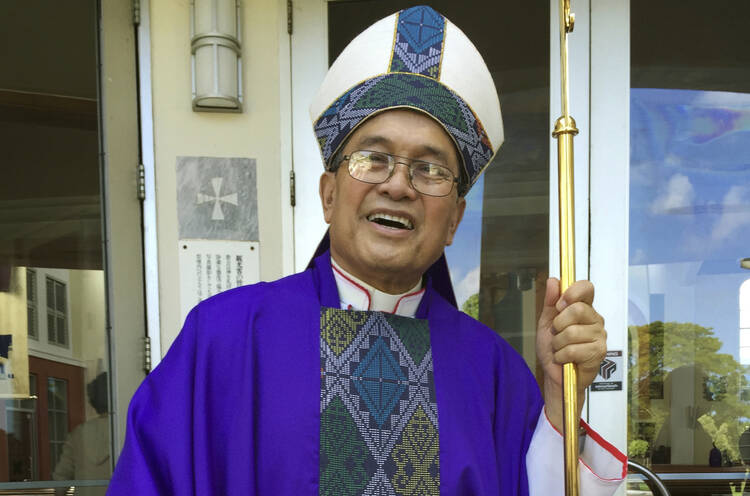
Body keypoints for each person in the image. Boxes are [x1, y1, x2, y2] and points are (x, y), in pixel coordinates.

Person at [107, 6, 626, 495]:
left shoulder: (492, 372)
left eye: (430, 169)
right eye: (374, 159)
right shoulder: (224, 339)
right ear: (329, 195)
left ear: (455, 223)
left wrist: (560, 402)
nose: (399, 186)